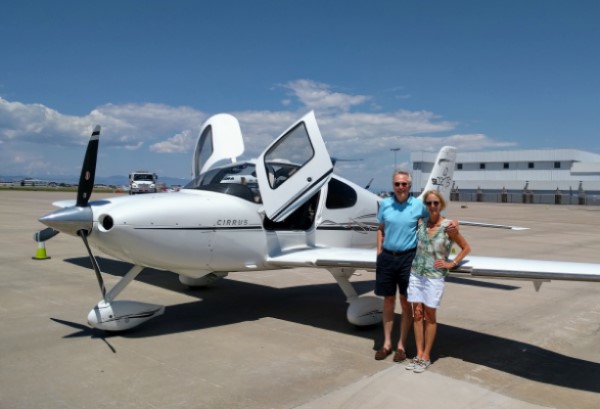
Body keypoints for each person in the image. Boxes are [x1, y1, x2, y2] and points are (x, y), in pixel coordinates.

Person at [374, 171, 457, 362]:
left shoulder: (419, 205)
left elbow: (437, 217)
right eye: (397, 184)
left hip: (408, 259)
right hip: (387, 258)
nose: (400, 187)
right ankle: (386, 344)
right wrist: (379, 252)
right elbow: (380, 229)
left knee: (405, 303)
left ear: (409, 186)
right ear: (393, 185)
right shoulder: (385, 204)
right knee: (387, 301)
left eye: (404, 184)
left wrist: (454, 224)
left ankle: (401, 346)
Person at [405, 190, 470, 373]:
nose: (432, 206)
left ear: (440, 205)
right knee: (417, 314)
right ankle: (418, 355)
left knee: (430, 316)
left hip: (434, 276)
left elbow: (466, 248)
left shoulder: (449, 226)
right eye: (429, 203)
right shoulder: (421, 224)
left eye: (435, 203)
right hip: (416, 273)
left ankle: (426, 356)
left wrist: (452, 263)